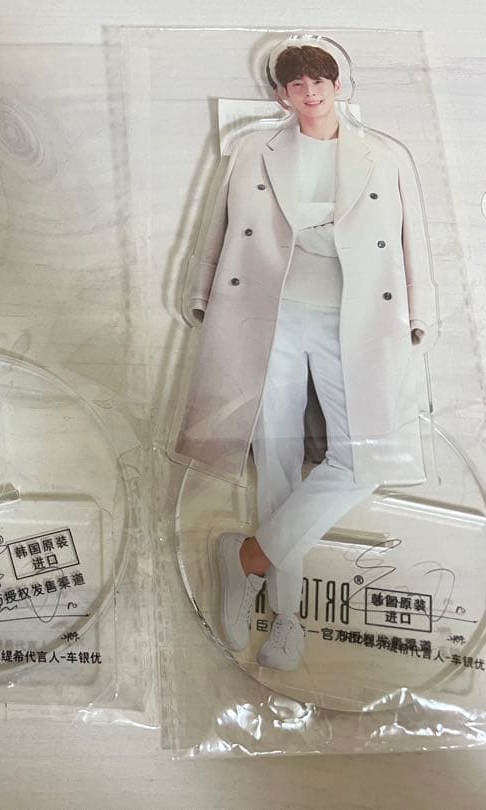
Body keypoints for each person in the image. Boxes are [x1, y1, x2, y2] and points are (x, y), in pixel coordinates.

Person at [176, 44, 437, 671]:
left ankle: (246, 559)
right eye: (296, 84)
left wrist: (420, 311)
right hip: (270, 314)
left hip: (357, 320)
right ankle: (286, 622)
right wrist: (201, 291)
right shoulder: (253, 151)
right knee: (277, 459)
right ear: (281, 95)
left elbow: (413, 239)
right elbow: (219, 224)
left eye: (320, 79)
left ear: (340, 84)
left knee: (363, 459)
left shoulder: (385, 155)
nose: (310, 91)